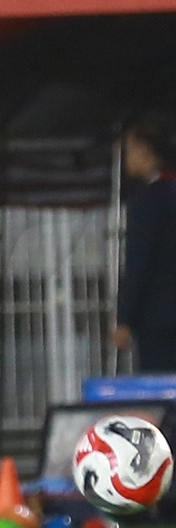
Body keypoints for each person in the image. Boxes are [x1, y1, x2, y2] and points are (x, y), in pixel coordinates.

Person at [111, 116, 176, 372]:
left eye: (129, 151)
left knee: (160, 390)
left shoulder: (149, 200)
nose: (126, 159)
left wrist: (125, 318)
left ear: (144, 151)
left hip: (158, 317)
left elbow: (140, 260)